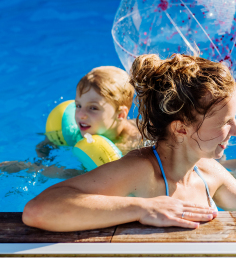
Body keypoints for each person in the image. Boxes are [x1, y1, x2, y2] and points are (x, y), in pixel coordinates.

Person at [22, 54, 236, 232]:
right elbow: (38, 209)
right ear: (181, 129)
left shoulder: (209, 173)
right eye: (225, 122)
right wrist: (142, 207)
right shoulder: (140, 171)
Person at [1, 66, 141, 178]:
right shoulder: (73, 130)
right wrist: (42, 159)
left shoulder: (134, 145)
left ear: (121, 114)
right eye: (78, 105)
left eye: (93, 108)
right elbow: (44, 145)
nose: (80, 115)